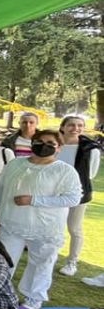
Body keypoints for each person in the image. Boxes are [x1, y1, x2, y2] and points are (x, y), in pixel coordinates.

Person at [0, 130, 82, 309]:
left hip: (45, 228)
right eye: (39, 141)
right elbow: (0, 186)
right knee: (3, 260)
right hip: (12, 222)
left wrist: (34, 200)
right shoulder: (15, 164)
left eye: (50, 142)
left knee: (41, 263)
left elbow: (73, 198)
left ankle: (33, 299)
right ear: (31, 143)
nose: (43, 145)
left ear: (59, 147)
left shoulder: (64, 171)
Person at [57, 115, 101, 276]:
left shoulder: (90, 148)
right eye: (71, 125)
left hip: (79, 194)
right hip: (53, 193)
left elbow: (91, 174)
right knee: (54, 227)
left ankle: (71, 263)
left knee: (74, 228)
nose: (75, 128)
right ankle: (51, 254)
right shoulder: (54, 144)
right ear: (63, 127)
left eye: (79, 125)